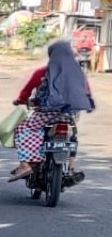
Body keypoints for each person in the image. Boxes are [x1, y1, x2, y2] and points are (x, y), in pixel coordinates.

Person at [8, 38, 95, 181]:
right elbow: (86, 93)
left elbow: (27, 92)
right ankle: (71, 169)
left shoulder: (42, 72)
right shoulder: (78, 74)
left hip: (46, 113)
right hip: (69, 114)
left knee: (24, 129)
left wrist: (20, 101)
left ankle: (26, 164)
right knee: (72, 136)